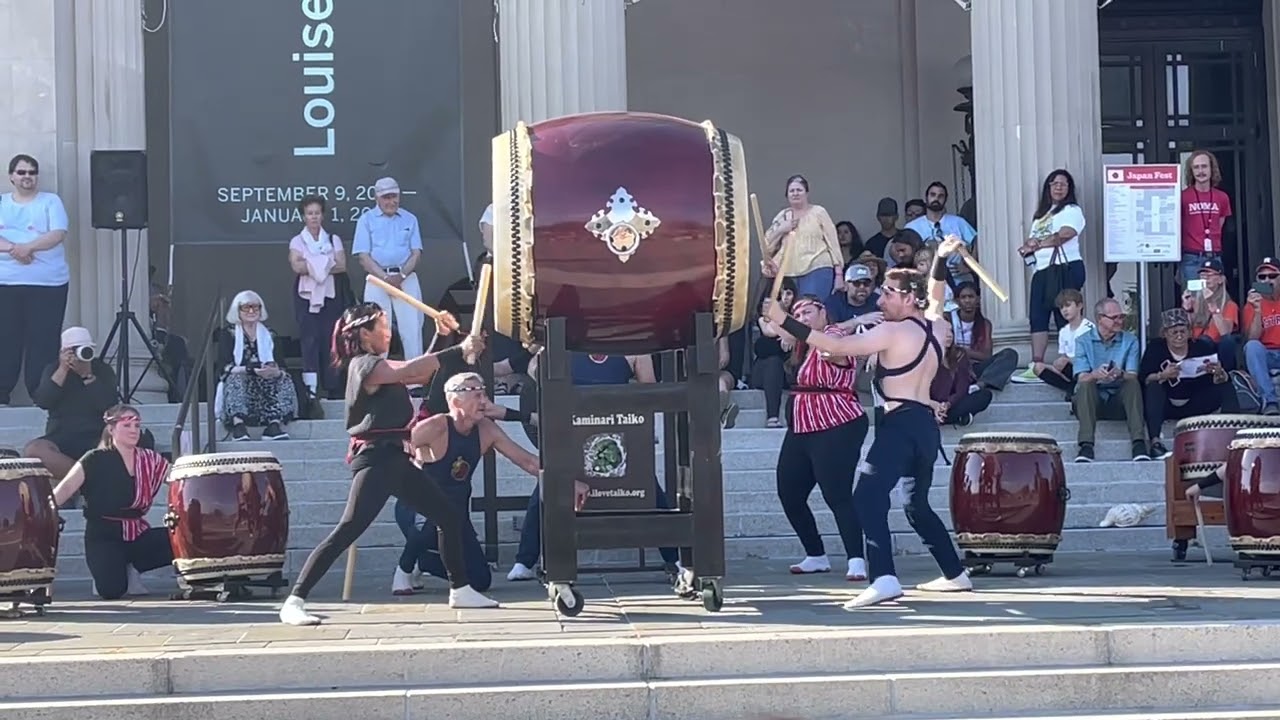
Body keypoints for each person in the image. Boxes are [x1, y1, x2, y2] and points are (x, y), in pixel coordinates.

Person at [764, 236, 972, 608]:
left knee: (866, 496)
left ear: (909, 298)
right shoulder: (937, 328)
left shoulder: (892, 332)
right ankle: (955, 573)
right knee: (916, 505)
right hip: (925, 427)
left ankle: (884, 578)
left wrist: (785, 322)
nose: (880, 299)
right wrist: (940, 257)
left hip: (900, 423)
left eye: (889, 293)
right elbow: (936, 292)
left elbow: (837, 347)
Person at [278, 302, 498, 626]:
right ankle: (295, 600)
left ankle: (460, 588)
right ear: (364, 333)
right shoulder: (363, 365)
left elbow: (419, 372)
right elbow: (407, 371)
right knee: (348, 529)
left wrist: (442, 341)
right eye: (382, 325)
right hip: (377, 459)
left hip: (396, 457)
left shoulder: (379, 367)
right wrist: (459, 349)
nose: (388, 330)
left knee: (448, 516)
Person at [506, 352, 680, 582]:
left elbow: (648, 394)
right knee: (548, 486)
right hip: (574, 431)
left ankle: (674, 558)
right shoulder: (565, 344)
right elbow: (535, 369)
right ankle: (525, 560)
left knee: (647, 487)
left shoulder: (634, 349)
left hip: (618, 428)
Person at [392, 373, 560, 595]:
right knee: (434, 515)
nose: (484, 401)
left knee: (480, 580)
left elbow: (527, 461)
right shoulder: (436, 426)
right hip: (418, 508)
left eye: (484, 394)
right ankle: (403, 570)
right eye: (477, 395)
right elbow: (395, 449)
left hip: (456, 512)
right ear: (455, 401)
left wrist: (564, 480)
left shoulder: (487, 429)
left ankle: (425, 563)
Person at [763, 296, 869, 579]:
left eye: (808, 311)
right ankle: (815, 554)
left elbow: (829, 348)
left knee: (837, 494)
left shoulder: (834, 335)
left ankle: (856, 559)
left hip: (835, 422)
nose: (803, 317)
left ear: (824, 312)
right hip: (802, 425)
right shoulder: (803, 344)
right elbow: (769, 326)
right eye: (798, 313)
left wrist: (854, 322)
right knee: (790, 492)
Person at [52, 405, 171, 600]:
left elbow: (176, 477)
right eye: (127, 425)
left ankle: (134, 566)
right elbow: (64, 489)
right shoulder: (94, 458)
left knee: (182, 539)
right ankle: (113, 567)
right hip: (104, 533)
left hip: (137, 531)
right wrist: (40, 510)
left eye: (137, 425)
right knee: (111, 590)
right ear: (112, 429)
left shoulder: (149, 458)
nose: (134, 430)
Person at [0, 154, 71, 406]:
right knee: (5, 339)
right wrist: (13, 249)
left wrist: (27, 248)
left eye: (31, 172)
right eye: (21, 172)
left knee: (44, 341)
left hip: (48, 284)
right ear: (11, 176)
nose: (27, 176)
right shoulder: (1, 203)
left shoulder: (50, 201)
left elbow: (57, 233)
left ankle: (40, 396)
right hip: (6, 284)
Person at [1015, 169, 1087, 382]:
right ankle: (1036, 364)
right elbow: (1033, 240)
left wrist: (1040, 244)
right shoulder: (1041, 215)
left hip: (1065, 268)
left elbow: (1066, 234)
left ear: (1069, 189)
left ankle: (1072, 362)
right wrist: (1028, 247)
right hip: (1043, 270)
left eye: (1063, 184)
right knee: (1038, 316)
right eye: (1054, 183)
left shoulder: (1072, 210)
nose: (1058, 187)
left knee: (1065, 315)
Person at [25, 327, 120, 483]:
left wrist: (87, 376)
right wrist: (63, 369)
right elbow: (43, 401)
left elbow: (110, 405)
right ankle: (87, 481)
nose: (79, 355)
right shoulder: (53, 369)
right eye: (73, 351)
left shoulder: (102, 370)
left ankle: (78, 482)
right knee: (34, 450)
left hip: (95, 436)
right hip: (61, 435)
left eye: (84, 349)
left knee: (119, 449)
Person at [1140, 308, 1233, 460]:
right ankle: (1155, 442)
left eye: (1182, 331)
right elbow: (1144, 378)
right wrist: (1162, 375)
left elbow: (1219, 380)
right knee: (1153, 387)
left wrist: (1219, 372)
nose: (1179, 336)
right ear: (1165, 333)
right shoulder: (1155, 348)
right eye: (1173, 332)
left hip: (1195, 402)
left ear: (1190, 332)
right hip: (1166, 405)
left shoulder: (1201, 347)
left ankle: (1233, 435)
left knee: (1226, 385)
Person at [1073, 298, 1147, 462]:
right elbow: (1081, 377)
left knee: (1132, 383)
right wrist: (1095, 375)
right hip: (1092, 401)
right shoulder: (1082, 341)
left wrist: (1120, 374)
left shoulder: (1130, 340)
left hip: (1118, 400)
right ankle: (1086, 445)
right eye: (1114, 318)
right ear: (1100, 318)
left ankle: (1139, 443)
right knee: (1086, 385)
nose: (1119, 321)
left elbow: (1133, 374)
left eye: (1121, 317)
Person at [217, 290, 298, 441]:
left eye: (256, 307)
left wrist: (275, 371)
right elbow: (224, 369)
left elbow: (282, 365)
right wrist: (250, 370)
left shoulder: (270, 334)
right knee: (235, 378)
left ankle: (273, 424)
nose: (252, 311)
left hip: (265, 385)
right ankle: (238, 425)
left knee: (285, 379)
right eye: (246, 307)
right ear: (237, 310)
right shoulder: (228, 333)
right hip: (242, 383)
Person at [288, 194, 347, 400]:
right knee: (309, 340)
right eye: (309, 213)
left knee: (331, 339)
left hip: (331, 296)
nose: (313, 217)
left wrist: (311, 262)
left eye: (317, 213)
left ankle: (333, 386)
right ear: (303, 216)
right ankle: (310, 390)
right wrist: (324, 262)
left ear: (323, 215)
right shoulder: (297, 240)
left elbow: (341, 265)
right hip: (306, 297)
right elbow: (296, 265)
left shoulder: (333, 239)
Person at [761, 175, 844, 299]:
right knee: (792, 313)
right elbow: (766, 246)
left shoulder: (818, 212)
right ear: (787, 195)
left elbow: (833, 243)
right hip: (787, 271)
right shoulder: (782, 216)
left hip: (817, 267)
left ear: (806, 193)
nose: (795, 194)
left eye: (799, 190)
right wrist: (781, 229)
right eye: (792, 191)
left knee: (811, 309)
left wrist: (839, 274)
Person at [1022, 289, 1093, 398]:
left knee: (1063, 362)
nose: (1064, 310)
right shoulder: (1064, 331)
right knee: (1038, 367)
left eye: (1068, 305)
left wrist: (1068, 360)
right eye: (1061, 307)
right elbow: (1063, 357)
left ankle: (1076, 388)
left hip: (1087, 369)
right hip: (1070, 369)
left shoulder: (1089, 328)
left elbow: (1093, 357)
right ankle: (1071, 387)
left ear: (1079, 306)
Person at [930, 324, 992, 426]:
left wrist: (948, 404)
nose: (949, 335)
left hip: (952, 404)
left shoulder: (959, 355)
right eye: (945, 332)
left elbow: (961, 388)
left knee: (984, 395)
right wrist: (934, 405)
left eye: (951, 331)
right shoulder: (927, 357)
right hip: (931, 405)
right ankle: (956, 417)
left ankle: (946, 417)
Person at [1241, 257, 1280, 415]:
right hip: (1266, 354)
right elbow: (1252, 338)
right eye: (1262, 277)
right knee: (1252, 347)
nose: (1267, 280)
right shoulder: (1253, 303)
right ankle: (1270, 402)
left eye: (1272, 276)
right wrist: (1257, 310)